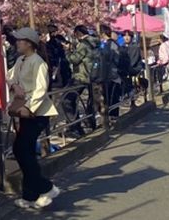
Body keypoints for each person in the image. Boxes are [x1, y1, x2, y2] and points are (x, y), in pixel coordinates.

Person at [8, 28, 60, 210]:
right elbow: (10, 76)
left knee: (22, 149)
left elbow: (41, 90)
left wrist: (29, 107)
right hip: (24, 110)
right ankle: (31, 194)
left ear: (29, 43)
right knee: (25, 152)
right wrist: (14, 85)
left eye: (20, 40)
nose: (17, 43)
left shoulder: (38, 62)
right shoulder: (21, 60)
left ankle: (45, 188)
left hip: (37, 113)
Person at [65, 25, 99, 136]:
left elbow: (74, 60)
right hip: (93, 75)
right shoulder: (95, 42)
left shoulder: (84, 44)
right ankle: (90, 123)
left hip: (81, 76)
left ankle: (74, 127)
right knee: (90, 101)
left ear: (78, 33)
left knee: (67, 99)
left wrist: (67, 51)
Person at [99, 25, 122, 118]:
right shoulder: (112, 44)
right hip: (112, 74)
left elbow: (112, 59)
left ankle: (113, 117)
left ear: (103, 34)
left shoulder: (110, 45)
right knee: (111, 97)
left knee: (112, 97)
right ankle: (112, 116)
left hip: (112, 75)